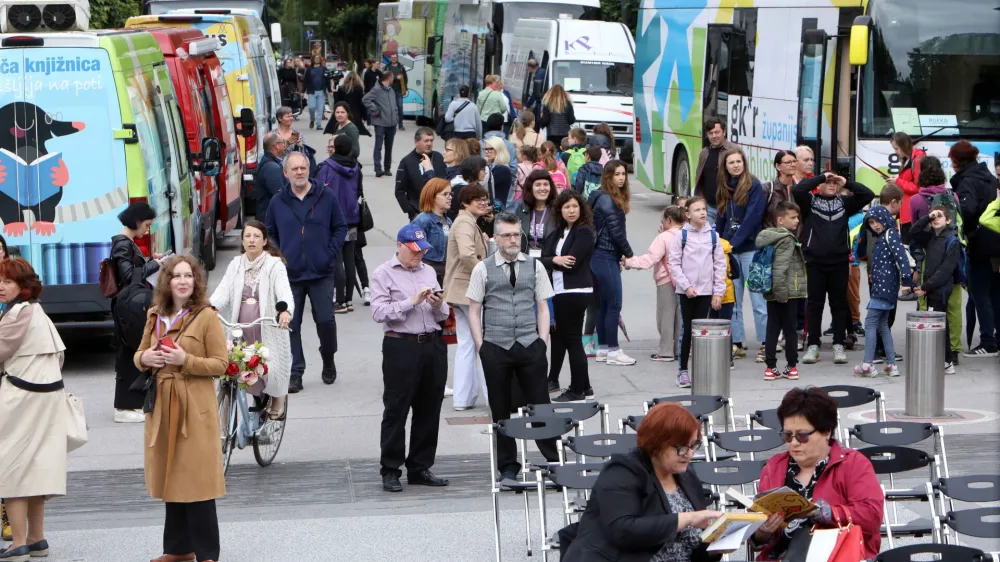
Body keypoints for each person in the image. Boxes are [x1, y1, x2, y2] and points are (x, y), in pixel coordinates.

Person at [134, 255, 228, 562]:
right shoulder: (155, 315)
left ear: (196, 281)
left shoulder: (206, 316)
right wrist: (144, 359)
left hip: (194, 408)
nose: (183, 281)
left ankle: (207, 553)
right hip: (162, 404)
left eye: (189, 275)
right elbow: (138, 354)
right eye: (176, 276)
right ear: (167, 281)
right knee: (171, 475)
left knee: (197, 480)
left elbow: (221, 364)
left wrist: (184, 361)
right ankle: (178, 549)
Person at [562, 403, 722, 562]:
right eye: (681, 447)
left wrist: (713, 549)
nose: (689, 454)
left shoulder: (686, 474)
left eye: (694, 445)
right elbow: (623, 530)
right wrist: (687, 519)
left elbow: (691, 547)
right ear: (657, 443)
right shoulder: (622, 471)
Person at [467, 213, 559, 480]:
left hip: (530, 345)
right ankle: (508, 467)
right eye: (507, 235)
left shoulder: (535, 266)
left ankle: (553, 461)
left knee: (541, 406)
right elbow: (474, 311)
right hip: (496, 346)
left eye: (516, 234)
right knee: (501, 409)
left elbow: (543, 306)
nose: (512, 239)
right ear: (496, 238)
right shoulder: (482, 268)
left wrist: (542, 341)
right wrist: (481, 346)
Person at [752, 387, 884, 561]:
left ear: (826, 431)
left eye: (802, 436)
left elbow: (871, 516)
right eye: (787, 435)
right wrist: (762, 531)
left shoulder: (853, 464)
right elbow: (757, 538)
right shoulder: (775, 466)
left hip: (836, 556)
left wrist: (821, 512)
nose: (793, 443)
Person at [370, 224, 451, 493]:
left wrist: (439, 305)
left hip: (432, 343)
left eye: (422, 251)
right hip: (401, 345)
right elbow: (379, 312)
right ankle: (390, 469)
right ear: (399, 246)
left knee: (430, 408)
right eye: (414, 251)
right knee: (396, 408)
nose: (419, 256)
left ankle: (420, 466)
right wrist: (411, 302)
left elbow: (443, 312)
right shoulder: (383, 273)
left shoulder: (428, 271)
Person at [0, 259, 68, 562]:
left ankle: (18, 544)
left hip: (20, 397)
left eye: (7, 281)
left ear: (23, 286)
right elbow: (60, 357)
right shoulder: (38, 311)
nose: (1, 287)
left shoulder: (16, 315)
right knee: (39, 467)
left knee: (11, 467)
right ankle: (37, 539)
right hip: (49, 397)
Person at [265, 152, 347, 393]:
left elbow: (340, 227)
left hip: (321, 272)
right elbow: (269, 232)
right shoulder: (277, 201)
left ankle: (328, 358)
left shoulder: (326, 196)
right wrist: (279, 257)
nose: (300, 172)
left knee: (326, 321)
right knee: (291, 325)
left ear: (309, 169)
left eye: (303, 167)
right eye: (295, 169)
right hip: (290, 276)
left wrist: (329, 252)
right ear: (286, 173)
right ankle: (296, 372)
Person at [209, 221, 293, 418]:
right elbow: (222, 291)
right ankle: (227, 420)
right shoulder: (235, 264)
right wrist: (210, 308)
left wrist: (286, 311)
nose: (251, 240)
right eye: (247, 236)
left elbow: (284, 292)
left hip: (267, 325)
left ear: (264, 241)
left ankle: (278, 399)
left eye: (256, 236)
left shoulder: (274, 265)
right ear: (243, 241)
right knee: (234, 369)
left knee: (272, 367)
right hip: (240, 328)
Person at [793, 172, 874, 364]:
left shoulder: (844, 202)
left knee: (839, 304)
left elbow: (867, 195)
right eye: (828, 182)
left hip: (839, 261)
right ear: (819, 184)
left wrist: (846, 183)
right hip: (815, 261)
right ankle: (813, 344)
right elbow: (798, 189)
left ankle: (838, 343)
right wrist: (821, 177)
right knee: (814, 304)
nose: (832, 185)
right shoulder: (809, 201)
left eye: (834, 183)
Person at [109, 202, 162, 423]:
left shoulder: (125, 243)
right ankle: (124, 406)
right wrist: (155, 264)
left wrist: (150, 261)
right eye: (147, 225)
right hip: (127, 305)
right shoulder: (123, 244)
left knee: (132, 350)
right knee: (131, 350)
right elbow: (130, 275)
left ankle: (130, 403)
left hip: (127, 304)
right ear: (137, 221)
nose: (147, 230)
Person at [541, 190, 595, 402]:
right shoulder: (558, 233)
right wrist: (555, 259)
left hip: (575, 291)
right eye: (566, 207)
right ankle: (586, 386)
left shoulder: (583, 232)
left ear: (581, 208)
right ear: (559, 211)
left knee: (572, 340)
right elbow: (543, 259)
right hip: (559, 291)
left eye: (574, 206)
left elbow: (571, 263)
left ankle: (576, 390)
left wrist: (554, 261)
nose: (571, 210)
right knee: (568, 338)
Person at [715, 148, 768, 362]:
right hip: (729, 250)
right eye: (731, 162)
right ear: (725, 167)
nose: (736, 165)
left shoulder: (754, 186)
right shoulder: (724, 187)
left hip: (749, 250)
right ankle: (737, 343)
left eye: (739, 161)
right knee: (733, 300)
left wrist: (731, 244)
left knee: (758, 300)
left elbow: (752, 219)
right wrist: (717, 243)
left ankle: (766, 343)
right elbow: (720, 218)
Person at [668, 197, 726, 388]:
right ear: (687, 214)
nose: (702, 213)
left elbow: (719, 265)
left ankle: (702, 370)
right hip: (687, 292)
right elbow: (674, 264)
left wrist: (718, 292)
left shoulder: (713, 236)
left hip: (706, 291)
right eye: (697, 210)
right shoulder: (681, 236)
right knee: (687, 331)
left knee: (702, 333)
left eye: (703, 209)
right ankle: (682, 370)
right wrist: (686, 286)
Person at [949, 140, 1000, 357]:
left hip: (980, 244)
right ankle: (996, 339)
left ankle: (988, 341)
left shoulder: (968, 181)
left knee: (979, 293)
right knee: (995, 292)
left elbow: (967, 210)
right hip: (996, 241)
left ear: (956, 161)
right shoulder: (988, 177)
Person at [443, 184, 491, 411]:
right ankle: (484, 396)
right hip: (468, 291)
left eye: (484, 198)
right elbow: (466, 254)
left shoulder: (466, 221)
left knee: (467, 344)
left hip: (461, 291)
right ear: (465, 202)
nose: (482, 202)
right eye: (477, 199)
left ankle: (464, 398)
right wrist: (486, 272)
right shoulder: (464, 222)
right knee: (479, 343)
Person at [853, 205, 913, 377]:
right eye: (871, 222)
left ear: (885, 219)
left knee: (870, 323)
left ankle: (867, 364)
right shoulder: (885, 236)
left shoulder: (890, 235)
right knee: (882, 325)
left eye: (877, 221)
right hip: (885, 287)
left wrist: (906, 280)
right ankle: (892, 364)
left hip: (884, 288)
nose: (875, 225)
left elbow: (902, 257)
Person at [588, 160, 636, 366]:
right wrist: (629, 254)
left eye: (623, 174)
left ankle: (604, 349)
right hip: (605, 255)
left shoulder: (601, 196)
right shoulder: (608, 200)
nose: (621, 177)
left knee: (604, 305)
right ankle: (614, 351)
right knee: (614, 304)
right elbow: (616, 232)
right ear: (608, 176)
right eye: (617, 174)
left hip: (600, 256)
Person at [624, 205, 685, 362]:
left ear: (668, 220)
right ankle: (679, 350)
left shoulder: (663, 237)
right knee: (679, 318)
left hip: (666, 280)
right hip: (685, 282)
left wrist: (629, 262)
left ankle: (666, 351)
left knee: (665, 317)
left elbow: (650, 259)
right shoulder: (687, 234)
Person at [756, 201, 806, 381]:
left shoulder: (769, 237)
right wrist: (782, 294)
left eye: (797, 217)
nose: (797, 221)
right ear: (780, 220)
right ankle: (791, 366)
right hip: (786, 292)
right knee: (790, 330)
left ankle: (770, 368)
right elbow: (780, 268)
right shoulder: (786, 240)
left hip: (772, 292)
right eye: (792, 217)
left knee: (772, 329)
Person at [909, 206, 963, 373]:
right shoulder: (930, 237)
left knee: (938, 325)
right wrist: (927, 216)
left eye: (940, 216)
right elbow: (913, 232)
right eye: (933, 218)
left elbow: (945, 270)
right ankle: (943, 360)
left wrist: (925, 287)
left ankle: (946, 361)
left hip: (941, 289)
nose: (936, 220)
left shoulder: (952, 241)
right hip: (931, 288)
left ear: (948, 220)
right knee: (937, 324)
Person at [315, 135, 364, 313]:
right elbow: (359, 190)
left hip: (332, 220)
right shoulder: (356, 167)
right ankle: (349, 300)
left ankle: (340, 301)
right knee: (349, 258)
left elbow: (318, 191)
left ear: (335, 147)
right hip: (351, 217)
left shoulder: (326, 166)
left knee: (337, 260)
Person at [395, 127, 448, 220]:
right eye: (426, 141)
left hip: (440, 213)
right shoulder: (406, 162)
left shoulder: (438, 158)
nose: (429, 144)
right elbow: (399, 191)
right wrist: (411, 212)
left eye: (431, 140)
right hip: (418, 214)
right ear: (416, 142)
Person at [693, 117, 737, 222]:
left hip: (727, 208)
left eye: (717, 132)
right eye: (710, 133)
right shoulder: (705, 153)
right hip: (708, 207)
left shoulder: (734, 150)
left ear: (724, 132)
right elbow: (700, 178)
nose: (714, 136)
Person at [411, 178, 453, 284]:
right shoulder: (423, 220)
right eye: (445, 194)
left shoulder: (448, 221)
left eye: (450, 194)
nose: (450, 197)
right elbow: (412, 249)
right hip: (427, 273)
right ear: (432, 197)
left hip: (445, 273)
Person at [889, 132, 926, 243]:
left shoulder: (917, 160)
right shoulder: (910, 159)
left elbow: (918, 188)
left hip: (911, 212)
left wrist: (897, 181)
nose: (896, 152)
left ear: (903, 146)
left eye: (896, 149)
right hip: (907, 211)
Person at [362, 70, 399, 178]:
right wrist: (374, 109)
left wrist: (396, 117)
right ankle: (378, 169)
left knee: (389, 147)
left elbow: (394, 105)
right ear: (388, 78)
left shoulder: (391, 90)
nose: (393, 79)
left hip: (392, 123)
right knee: (378, 146)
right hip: (381, 123)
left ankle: (387, 168)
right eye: (392, 77)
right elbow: (365, 99)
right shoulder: (376, 89)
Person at [516, 169, 558, 256]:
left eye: (546, 184)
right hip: (524, 259)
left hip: (550, 260)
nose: (542, 188)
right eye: (538, 185)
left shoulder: (558, 210)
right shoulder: (522, 209)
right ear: (530, 188)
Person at [254, 132, 288, 221]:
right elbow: (280, 195)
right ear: (277, 145)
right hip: (270, 219)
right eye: (282, 142)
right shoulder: (272, 168)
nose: (284, 145)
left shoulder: (267, 162)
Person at [328, 72, 371, 140]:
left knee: (340, 135)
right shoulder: (359, 89)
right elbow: (362, 104)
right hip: (355, 115)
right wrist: (364, 117)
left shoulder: (341, 88)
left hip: (343, 113)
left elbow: (337, 103)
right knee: (353, 137)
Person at [762, 150, 798, 229]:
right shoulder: (768, 189)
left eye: (795, 161)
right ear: (778, 166)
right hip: (773, 238)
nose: (793, 165)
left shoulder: (799, 190)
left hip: (794, 239)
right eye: (788, 162)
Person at [483, 113, 517, 179]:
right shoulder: (509, 145)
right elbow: (513, 169)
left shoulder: (479, 143)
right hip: (505, 184)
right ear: (502, 127)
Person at [484, 137, 514, 210]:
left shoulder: (502, 169)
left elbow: (484, 186)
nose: (487, 152)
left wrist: (484, 166)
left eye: (491, 149)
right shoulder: (495, 167)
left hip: (496, 210)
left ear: (499, 150)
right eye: (486, 149)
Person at [303, 55, 331, 130]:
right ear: (313, 60)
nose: (317, 59)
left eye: (318, 58)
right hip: (312, 91)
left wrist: (330, 90)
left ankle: (318, 124)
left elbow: (327, 80)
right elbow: (305, 81)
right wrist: (303, 91)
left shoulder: (324, 69)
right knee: (311, 107)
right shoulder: (309, 69)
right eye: (316, 58)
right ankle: (312, 119)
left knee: (320, 108)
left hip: (321, 91)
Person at [386, 53, 407, 130]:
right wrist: (395, 77)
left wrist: (404, 88)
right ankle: (390, 124)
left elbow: (405, 78)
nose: (393, 59)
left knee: (400, 107)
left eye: (395, 58)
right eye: (392, 58)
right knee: (390, 108)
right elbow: (384, 76)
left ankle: (400, 125)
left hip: (398, 91)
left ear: (397, 58)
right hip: (389, 90)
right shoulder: (387, 67)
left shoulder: (401, 67)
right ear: (390, 59)